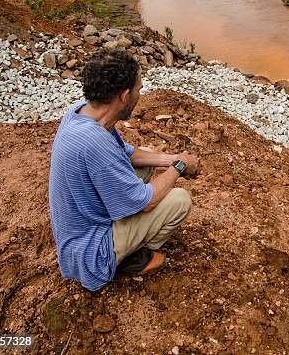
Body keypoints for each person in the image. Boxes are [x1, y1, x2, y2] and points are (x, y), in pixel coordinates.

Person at [48, 48, 199, 291]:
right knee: (179, 199)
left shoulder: (81, 113)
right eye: (139, 89)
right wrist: (179, 168)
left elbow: (125, 153)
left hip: (77, 233)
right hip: (91, 253)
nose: (140, 94)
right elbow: (146, 201)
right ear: (124, 95)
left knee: (147, 158)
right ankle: (129, 257)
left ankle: (126, 236)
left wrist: (171, 158)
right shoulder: (94, 142)